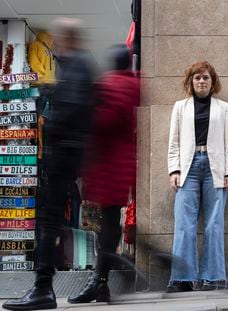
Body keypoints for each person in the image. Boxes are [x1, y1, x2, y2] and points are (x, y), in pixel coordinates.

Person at [3, 18, 95, 311]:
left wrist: (53, 132)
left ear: (66, 38)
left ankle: (43, 288)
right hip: (65, 156)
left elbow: (73, 110)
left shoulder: (76, 65)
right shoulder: (77, 65)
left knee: (47, 222)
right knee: (48, 222)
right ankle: (43, 286)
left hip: (62, 157)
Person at [67, 44, 140, 304]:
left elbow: (102, 123)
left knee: (107, 230)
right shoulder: (132, 85)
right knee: (109, 227)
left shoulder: (111, 86)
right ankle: (102, 284)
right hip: (120, 166)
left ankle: (99, 280)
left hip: (108, 165)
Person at [167, 61, 228, 292]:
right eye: (197, 78)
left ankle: (212, 277)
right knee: (184, 223)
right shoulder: (180, 107)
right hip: (188, 167)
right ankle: (183, 278)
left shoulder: (222, 108)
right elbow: (174, 141)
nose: (201, 81)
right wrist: (174, 169)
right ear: (190, 82)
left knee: (214, 224)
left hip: (214, 167)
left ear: (213, 81)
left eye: (206, 77)